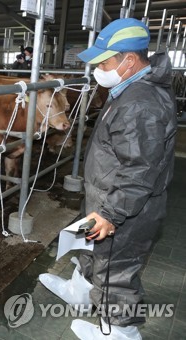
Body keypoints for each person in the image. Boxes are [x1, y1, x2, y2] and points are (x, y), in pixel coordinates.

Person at [39, 18, 177, 340]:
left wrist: (111, 214)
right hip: (108, 195)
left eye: (104, 61)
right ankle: (81, 291)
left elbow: (139, 170)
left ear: (129, 60)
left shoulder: (141, 104)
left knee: (117, 269)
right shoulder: (130, 88)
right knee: (95, 252)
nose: (99, 68)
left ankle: (120, 331)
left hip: (126, 207)